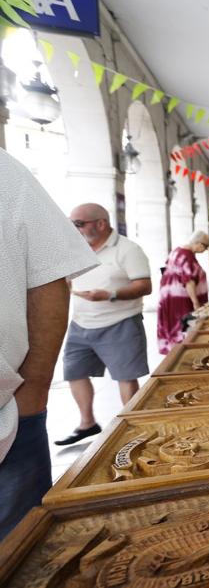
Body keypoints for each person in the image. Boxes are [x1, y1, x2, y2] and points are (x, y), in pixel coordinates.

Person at [0, 157, 98, 538]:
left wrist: (34, 389)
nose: (78, 228)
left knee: (22, 547)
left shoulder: (6, 173)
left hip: (10, 416)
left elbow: (47, 278)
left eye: (82, 223)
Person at [54, 204, 152, 446]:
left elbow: (144, 286)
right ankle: (87, 423)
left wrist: (110, 294)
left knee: (125, 376)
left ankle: (132, 427)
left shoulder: (128, 249)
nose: (74, 229)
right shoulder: (75, 250)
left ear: (100, 223)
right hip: (81, 323)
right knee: (74, 372)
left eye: (79, 224)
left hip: (120, 321)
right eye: (72, 224)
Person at [157, 231, 209, 354]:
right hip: (180, 299)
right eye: (205, 246)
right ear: (198, 243)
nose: (205, 250)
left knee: (174, 326)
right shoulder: (187, 255)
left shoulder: (177, 251)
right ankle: (182, 355)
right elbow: (189, 282)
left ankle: (174, 353)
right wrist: (196, 303)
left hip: (169, 297)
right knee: (184, 327)